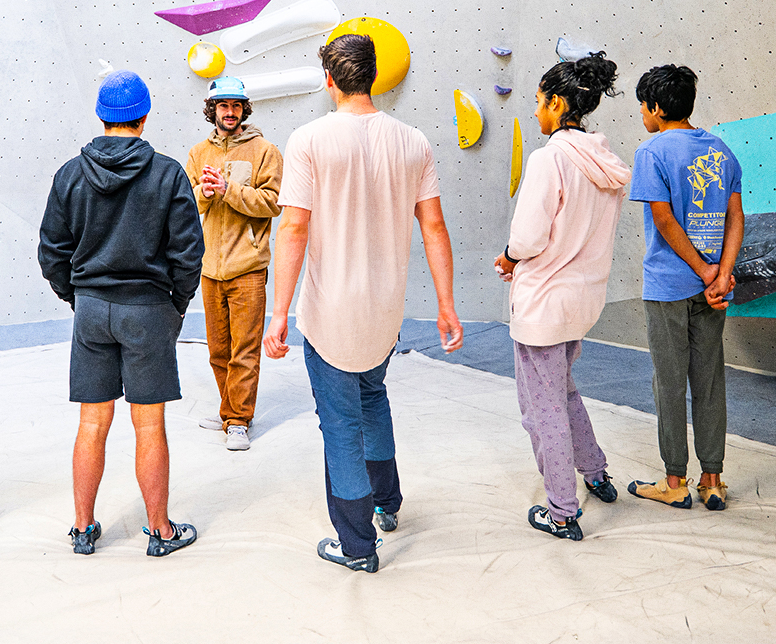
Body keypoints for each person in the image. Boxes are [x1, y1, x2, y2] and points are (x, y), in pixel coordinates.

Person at [263, 34, 463, 573]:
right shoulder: (413, 141)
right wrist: (446, 304)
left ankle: (356, 546)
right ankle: (387, 502)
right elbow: (434, 226)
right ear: (373, 76)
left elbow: (293, 228)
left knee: (340, 424)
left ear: (329, 79)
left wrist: (279, 313)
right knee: (373, 398)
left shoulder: (308, 140)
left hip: (330, 313)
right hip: (385, 311)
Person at [38, 70, 205, 557]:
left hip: (92, 310)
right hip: (148, 310)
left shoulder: (70, 174)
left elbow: (51, 252)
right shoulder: (168, 174)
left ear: (100, 116)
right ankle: (160, 532)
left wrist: (78, 297)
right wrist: (176, 304)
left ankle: (83, 528)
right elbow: (188, 253)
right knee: (148, 425)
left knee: (92, 422)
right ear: (144, 116)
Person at [494, 53, 632, 541]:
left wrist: (509, 257)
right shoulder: (605, 162)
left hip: (544, 304)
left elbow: (529, 237)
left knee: (542, 408)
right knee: (564, 391)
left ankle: (561, 510)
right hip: (582, 302)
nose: (535, 111)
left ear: (557, 103)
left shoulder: (549, 158)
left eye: (538, 101)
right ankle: (595, 473)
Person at [626, 64, 744, 510]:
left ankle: (675, 481)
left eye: (643, 106)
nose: (642, 114)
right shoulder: (721, 150)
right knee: (709, 381)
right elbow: (735, 217)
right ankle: (712, 480)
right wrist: (721, 273)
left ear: (657, 107)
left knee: (670, 383)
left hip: (668, 285)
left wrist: (702, 270)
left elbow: (663, 219)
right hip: (714, 290)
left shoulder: (651, 151)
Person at [185, 76, 283, 451]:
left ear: (244, 109)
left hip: (248, 267)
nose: (230, 112)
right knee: (218, 351)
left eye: (236, 106)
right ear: (213, 110)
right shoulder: (198, 153)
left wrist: (230, 190)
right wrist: (205, 192)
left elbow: (273, 202)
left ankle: (238, 419)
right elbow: (186, 204)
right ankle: (230, 410)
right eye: (223, 106)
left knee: (244, 350)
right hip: (209, 268)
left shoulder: (265, 151)